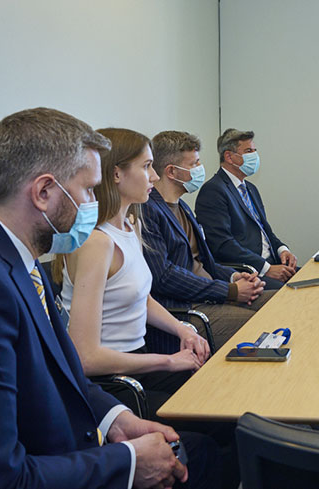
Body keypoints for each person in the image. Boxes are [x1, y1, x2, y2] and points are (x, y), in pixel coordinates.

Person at [0, 108, 216, 488]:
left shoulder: (6, 246)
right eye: (88, 189)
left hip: (62, 438)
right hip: (43, 464)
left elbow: (58, 370)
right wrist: (127, 463)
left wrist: (116, 418)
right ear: (43, 192)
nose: (94, 201)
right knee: (204, 453)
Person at [57, 128, 211, 421]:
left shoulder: (130, 225)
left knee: (220, 392)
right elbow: (86, 358)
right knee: (213, 419)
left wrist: (182, 329)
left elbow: (141, 296)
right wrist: (168, 362)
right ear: (116, 174)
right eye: (146, 166)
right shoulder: (97, 243)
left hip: (139, 363)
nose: (154, 176)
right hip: (113, 383)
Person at [142, 130, 273, 347]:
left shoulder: (182, 206)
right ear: (172, 171)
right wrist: (229, 291)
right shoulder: (149, 210)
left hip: (210, 294)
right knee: (260, 326)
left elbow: (205, 263)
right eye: (194, 164)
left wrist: (235, 278)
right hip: (186, 308)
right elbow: (164, 276)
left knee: (278, 302)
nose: (200, 169)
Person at [195, 128, 297, 289]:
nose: (254, 156)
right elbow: (222, 244)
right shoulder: (213, 190)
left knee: (314, 278)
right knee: (289, 295)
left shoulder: (250, 188)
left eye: (255, 150)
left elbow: (265, 231)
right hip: (248, 271)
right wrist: (267, 268)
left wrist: (282, 250)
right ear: (229, 156)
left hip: (272, 263)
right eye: (248, 151)